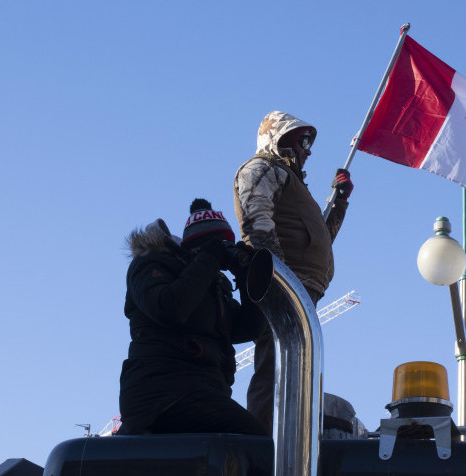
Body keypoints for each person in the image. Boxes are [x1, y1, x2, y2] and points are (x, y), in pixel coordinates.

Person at [233, 111, 353, 433]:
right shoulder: (261, 169)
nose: (308, 149)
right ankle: (262, 450)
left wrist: (339, 202)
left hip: (302, 289)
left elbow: (320, 241)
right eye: (302, 140)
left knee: (296, 372)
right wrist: (279, 282)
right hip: (286, 289)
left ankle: (290, 441)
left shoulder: (294, 184)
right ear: (279, 139)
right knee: (274, 370)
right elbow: (256, 223)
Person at [118, 198, 266, 436]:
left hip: (203, 392)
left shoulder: (213, 284)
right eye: (217, 245)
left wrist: (247, 278)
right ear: (194, 248)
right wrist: (209, 260)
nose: (223, 252)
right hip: (161, 393)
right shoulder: (150, 262)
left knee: (249, 444)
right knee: (253, 440)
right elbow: (168, 307)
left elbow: (249, 328)